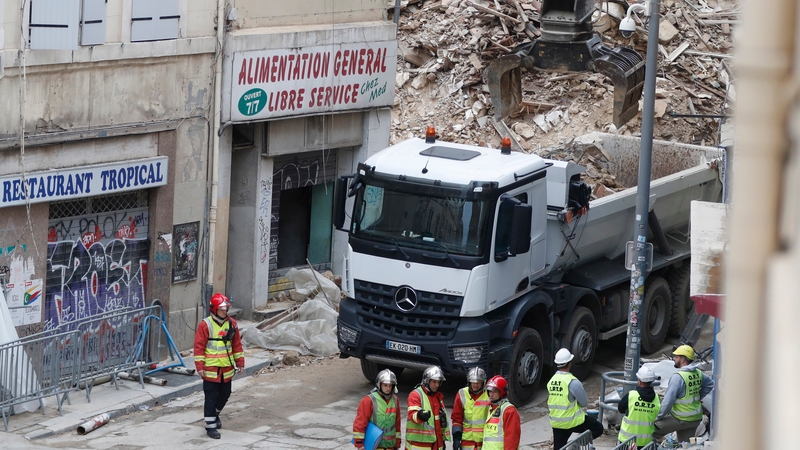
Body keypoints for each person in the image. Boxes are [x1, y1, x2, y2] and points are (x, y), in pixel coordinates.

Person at [194, 293, 244, 439]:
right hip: (210, 369)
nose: (225, 312)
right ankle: (210, 427)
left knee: (225, 394)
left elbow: (237, 345)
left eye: (226, 309)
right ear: (215, 309)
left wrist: (240, 362)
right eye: (223, 309)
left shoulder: (232, 324)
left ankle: (214, 415)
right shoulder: (205, 325)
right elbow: (199, 347)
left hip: (226, 369)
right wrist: (200, 366)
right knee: (210, 397)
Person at [654, 345, 714, 443]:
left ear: (682, 359)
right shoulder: (698, 373)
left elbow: (668, 402)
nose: (674, 358)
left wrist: (658, 417)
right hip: (695, 419)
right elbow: (710, 384)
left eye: (676, 357)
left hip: (680, 418)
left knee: (649, 430)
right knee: (685, 444)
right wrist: (699, 396)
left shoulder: (678, 378)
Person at [547, 348, 603, 450]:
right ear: (570, 363)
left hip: (556, 423)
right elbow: (584, 403)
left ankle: (570, 445)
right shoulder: (572, 382)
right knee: (598, 428)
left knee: (559, 448)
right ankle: (576, 444)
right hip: (573, 422)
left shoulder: (551, 381)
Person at [353, 369, 402, 450]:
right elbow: (361, 422)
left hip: (390, 446)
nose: (388, 388)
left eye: (390, 385)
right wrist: (359, 443)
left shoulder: (395, 400)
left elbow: (397, 423)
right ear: (379, 384)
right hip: (375, 446)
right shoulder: (369, 400)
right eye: (385, 385)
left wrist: (397, 442)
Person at [405, 365, 451, 450]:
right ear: (427, 381)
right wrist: (419, 415)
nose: (437, 385)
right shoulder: (415, 394)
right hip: (419, 446)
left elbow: (441, 422)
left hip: (436, 445)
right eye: (434, 382)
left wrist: (442, 441)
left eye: (438, 382)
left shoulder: (438, 397)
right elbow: (412, 415)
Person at [617, 366, 660, 448]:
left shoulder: (631, 395)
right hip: (645, 443)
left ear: (639, 381)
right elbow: (657, 414)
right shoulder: (656, 398)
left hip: (627, 440)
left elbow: (620, 409)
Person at [452, 367, 491, 450]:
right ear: (469, 382)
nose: (475, 385)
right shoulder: (461, 394)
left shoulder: (489, 395)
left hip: (484, 440)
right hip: (467, 441)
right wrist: (456, 439)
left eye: (478, 382)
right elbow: (457, 418)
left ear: (483, 382)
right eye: (473, 382)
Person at [482, 376, 521, 450]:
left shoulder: (509, 411)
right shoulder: (489, 408)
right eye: (490, 391)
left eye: (495, 391)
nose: (491, 394)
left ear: (502, 392)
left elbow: (511, 440)